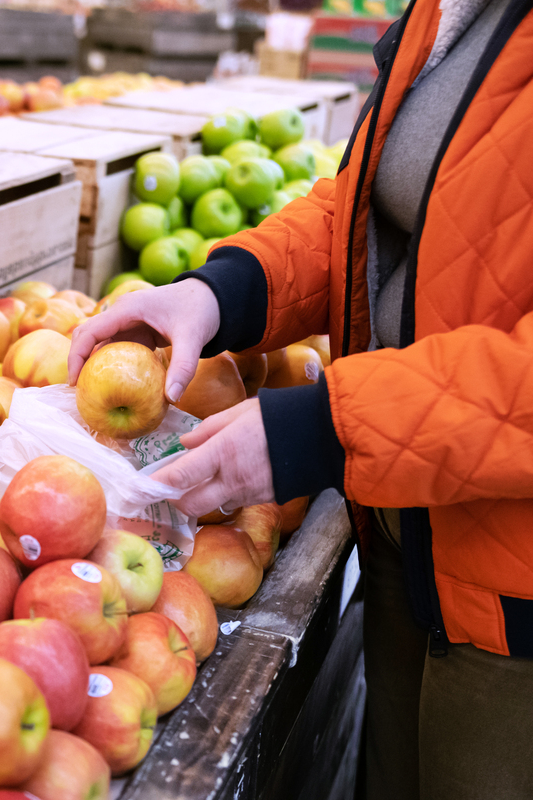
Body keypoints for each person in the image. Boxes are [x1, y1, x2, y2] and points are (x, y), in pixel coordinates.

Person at [67, 0, 533, 797]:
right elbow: (376, 208)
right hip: (407, 530)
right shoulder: (454, 11)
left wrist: (325, 427)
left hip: (513, 594)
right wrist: (223, 293)